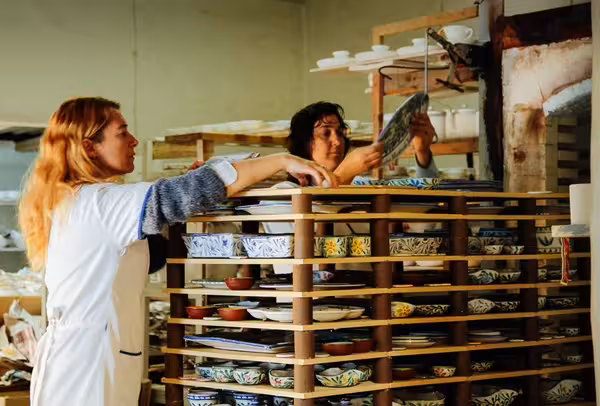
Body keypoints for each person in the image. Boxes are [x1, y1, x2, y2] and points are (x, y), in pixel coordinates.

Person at [18, 97, 338, 406]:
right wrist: (280, 160)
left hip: (86, 356)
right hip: (85, 368)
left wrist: (200, 185)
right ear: (89, 146)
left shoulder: (83, 200)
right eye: (122, 132)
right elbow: (179, 196)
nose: (134, 141)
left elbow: (151, 254)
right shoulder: (98, 202)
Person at [285, 101, 438, 185]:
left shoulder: (360, 186)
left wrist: (422, 151)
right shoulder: (284, 194)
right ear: (303, 143)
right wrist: (343, 175)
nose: (338, 141)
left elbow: (426, 215)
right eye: (326, 133)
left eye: (340, 132)